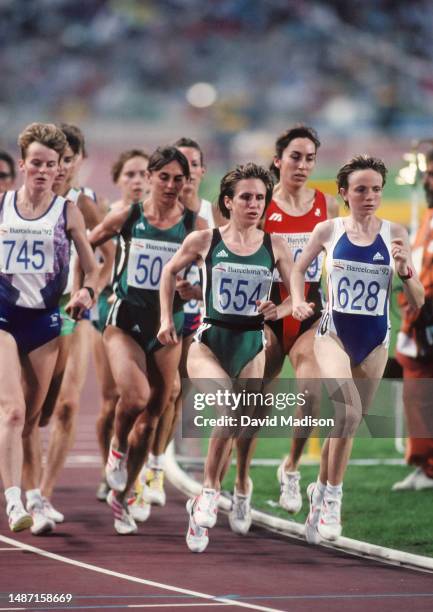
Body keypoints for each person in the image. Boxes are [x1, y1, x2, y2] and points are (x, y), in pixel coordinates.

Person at [158, 162, 293, 552]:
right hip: (209, 342)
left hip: (252, 345)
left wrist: (279, 311)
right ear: (228, 202)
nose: (254, 204)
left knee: (239, 427)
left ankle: (238, 486)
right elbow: (169, 273)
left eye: (261, 198)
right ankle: (209, 493)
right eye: (246, 197)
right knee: (229, 413)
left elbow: (298, 297)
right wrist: (167, 318)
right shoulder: (205, 240)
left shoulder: (275, 246)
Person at [291, 155, 424, 542]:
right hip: (334, 333)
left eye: (376, 189)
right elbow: (299, 268)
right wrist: (299, 300)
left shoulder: (394, 233)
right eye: (361, 189)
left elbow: (417, 300)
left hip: (375, 339)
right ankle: (333, 496)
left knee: (347, 423)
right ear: (345, 193)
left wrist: (405, 270)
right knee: (347, 411)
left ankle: (318, 491)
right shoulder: (329, 230)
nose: (370, 196)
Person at [89, 146, 204, 534]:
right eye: (164, 177)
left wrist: (195, 290)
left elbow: (210, 272)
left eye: (178, 179)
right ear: (151, 177)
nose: (171, 185)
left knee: (154, 413)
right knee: (134, 398)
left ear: (186, 182)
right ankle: (117, 452)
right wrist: (84, 287)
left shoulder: (193, 224)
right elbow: (85, 242)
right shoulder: (129, 215)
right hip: (124, 319)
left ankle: (124, 497)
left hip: (167, 324)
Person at [0, 122, 97, 534]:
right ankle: (13, 500)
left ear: (60, 169)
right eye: (35, 163)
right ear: (23, 164)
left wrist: (85, 293)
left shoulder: (68, 211)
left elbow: (93, 268)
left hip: (45, 321)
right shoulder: (1, 205)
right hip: (3, 317)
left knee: (36, 419)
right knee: (13, 411)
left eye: (50, 165)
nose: (42, 171)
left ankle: (37, 498)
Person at [236, 126, 338, 517]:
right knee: (255, 403)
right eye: (295, 156)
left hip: (308, 313)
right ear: (277, 160)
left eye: (310, 158)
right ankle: (242, 479)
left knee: (311, 393)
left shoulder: (325, 206)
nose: (302, 164)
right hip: (267, 314)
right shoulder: (261, 206)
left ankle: (291, 468)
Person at [25, 124, 114, 526]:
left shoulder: (85, 204)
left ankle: (42, 494)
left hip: (76, 317)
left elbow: (109, 257)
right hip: (34, 313)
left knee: (66, 406)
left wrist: (90, 290)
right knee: (35, 412)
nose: (60, 168)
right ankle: (27, 486)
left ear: (78, 162)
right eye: (55, 160)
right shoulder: (24, 203)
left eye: (67, 160)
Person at [137, 137, 214, 508]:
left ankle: (156, 462)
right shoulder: (154, 211)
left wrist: (199, 292)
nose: (185, 173)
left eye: (192, 164)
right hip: (150, 313)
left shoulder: (213, 215)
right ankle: (142, 460)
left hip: (199, 318)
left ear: (199, 171)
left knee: (176, 394)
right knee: (156, 393)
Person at [93, 148, 150, 503]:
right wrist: (102, 289)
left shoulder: (159, 219)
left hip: (148, 311)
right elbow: (96, 260)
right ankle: (108, 469)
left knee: (145, 401)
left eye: (144, 173)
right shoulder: (114, 216)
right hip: (108, 309)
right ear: (117, 180)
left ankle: (138, 476)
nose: (138, 180)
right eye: (130, 174)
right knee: (112, 397)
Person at [393, 148, 433, 491]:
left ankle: (428, 466)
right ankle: (425, 465)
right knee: (417, 392)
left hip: (427, 317)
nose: (428, 180)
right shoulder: (429, 215)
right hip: (420, 318)